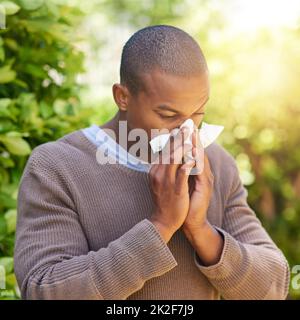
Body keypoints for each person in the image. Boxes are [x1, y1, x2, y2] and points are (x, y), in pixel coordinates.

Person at [14, 25, 290, 300]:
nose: (186, 131)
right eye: (168, 115)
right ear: (122, 96)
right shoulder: (56, 166)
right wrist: (162, 225)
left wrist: (200, 230)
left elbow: (273, 287)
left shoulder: (216, 164)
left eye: (197, 113)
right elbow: (44, 291)